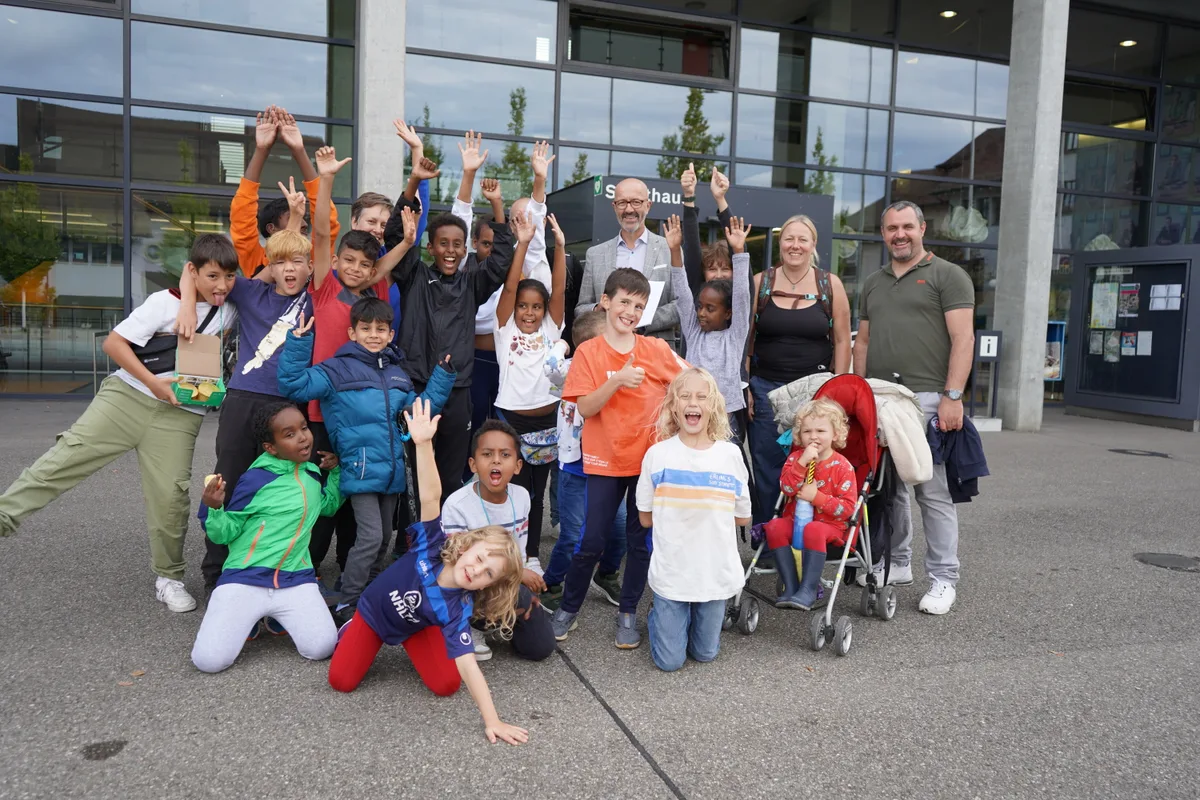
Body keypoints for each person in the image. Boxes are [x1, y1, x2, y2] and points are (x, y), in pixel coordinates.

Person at [0, 235, 240, 613]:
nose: (222, 285)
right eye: (212, 276)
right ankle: (4, 515)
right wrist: (153, 382)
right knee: (63, 460)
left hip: (180, 415)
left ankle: (169, 577)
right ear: (194, 272)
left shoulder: (229, 307)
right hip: (126, 398)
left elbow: (271, 264)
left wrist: (197, 296)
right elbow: (113, 344)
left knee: (171, 499)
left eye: (228, 277)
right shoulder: (165, 302)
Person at [327, 399, 529, 747]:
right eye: (480, 559)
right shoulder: (433, 545)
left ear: (489, 585)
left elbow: (469, 668)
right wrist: (422, 444)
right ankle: (351, 627)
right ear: (467, 546)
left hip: (415, 625)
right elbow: (431, 497)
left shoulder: (458, 608)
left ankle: (409, 640)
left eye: (487, 574)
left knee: (448, 685)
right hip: (373, 614)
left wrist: (493, 719)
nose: (476, 570)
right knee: (341, 682)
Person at [277, 297, 455, 626]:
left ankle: (370, 594)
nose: (373, 334)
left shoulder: (398, 375)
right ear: (352, 332)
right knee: (371, 537)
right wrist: (299, 342)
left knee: (385, 539)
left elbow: (419, 413)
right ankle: (348, 600)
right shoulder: (336, 369)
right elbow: (294, 384)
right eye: (366, 328)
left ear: (390, 334)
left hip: (392, 472)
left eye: (381, 328)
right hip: (358, 470)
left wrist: (442, 378)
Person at [551, 268, 686, 649]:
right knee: (590, 540)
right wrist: (616, 380)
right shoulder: (589, 351)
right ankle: (568, 608)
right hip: (605, 461)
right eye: (624, 301)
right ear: (606, 301)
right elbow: (586, 409)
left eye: (639, 306)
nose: (631, 311)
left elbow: (692, 381)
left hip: (648, 463)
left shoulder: (656, 350)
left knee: (639, 541)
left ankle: (628, 612)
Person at [853, 200, 975, 615]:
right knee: (891, 490)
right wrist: (860, 394)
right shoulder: (872, 282)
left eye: (907, 226)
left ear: (922, 228)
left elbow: (963, 339)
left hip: (929, 399)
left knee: (933, 491)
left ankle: (944, 578)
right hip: (882, 399)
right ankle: (899, 562)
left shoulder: (948, 275)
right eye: (891, 228)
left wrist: (952, 396)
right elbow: (863, 343)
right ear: (883, 233)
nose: (899, 234)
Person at [177, 228, 314, 596]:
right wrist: (187, 305)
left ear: (309, 267)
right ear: (268, 265)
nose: (288, 269)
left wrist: (302, 217)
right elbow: (194, 270)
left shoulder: (315, 299)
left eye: (296, 262)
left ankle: (267, 567)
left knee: (278, 490)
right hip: (243, 399)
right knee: (229, 482)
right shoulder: (252, 292)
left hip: (288, 406)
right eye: (279, 261)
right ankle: (215, 574)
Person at [389, 131, 515, 507]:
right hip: (414, 385)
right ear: (430, 247)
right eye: (442, 243)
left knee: (447, 471)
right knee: (411, 469)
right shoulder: (414, 274)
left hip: (458, 390)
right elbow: (398, 231)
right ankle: (407, 540)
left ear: (465, 249)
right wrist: (414, 181)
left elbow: (502, 260)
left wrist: (497, 206)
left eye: (457, 245)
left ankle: (443, 535)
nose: (449, 250)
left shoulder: (472, 282)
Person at [191, 403, 343, 671]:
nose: (303, 437)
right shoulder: (255, 480)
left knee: (322, 647)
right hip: (245, 577)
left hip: (295, 578)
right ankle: (243, 613)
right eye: (289, 434)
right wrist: (214, 507)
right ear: (270, 447)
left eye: (304, 428)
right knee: (209, 662)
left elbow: (328, 505)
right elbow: (225, 532)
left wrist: (335, 472)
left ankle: (275, 616)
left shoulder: (311, 474)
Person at [637, 368, 751, 672]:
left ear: (714, 406)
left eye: (702, 396)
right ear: (673, 405)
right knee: (669, 662)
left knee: (705, 654)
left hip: (713, 573)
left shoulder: (730, 456)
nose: (693, 403)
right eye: (685, 396)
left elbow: (743, 518)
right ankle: (661, 613)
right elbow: (645, 518)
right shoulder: (657, 455)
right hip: (673, 573)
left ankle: (681, 618)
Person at [747, 214, 851, 528]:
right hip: (766, 390)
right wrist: (745, 386)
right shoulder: (760, 283)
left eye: (802, 239)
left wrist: (836, 392)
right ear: (781, 244)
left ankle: (808, 539)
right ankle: (768, 541)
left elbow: (843, 339)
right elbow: (746, 339)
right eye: (789, 239)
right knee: (768, 468)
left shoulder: (829, 284)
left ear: (813, 245)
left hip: (814, 395)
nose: (795, 245)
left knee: (815, 468)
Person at [460, 140, 556, 463]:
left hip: (520, 379)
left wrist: (539, 180)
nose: (523, 224)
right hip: (477, 359)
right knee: (477, 439)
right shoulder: (496, 262)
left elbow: (537, 218)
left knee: (511, 453)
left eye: (528, 219)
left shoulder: (540, 267)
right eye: (516, 220)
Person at [441, 419, 556, 663]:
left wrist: (520, 573)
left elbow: (519, 549)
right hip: (469, 583)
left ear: (517, 466)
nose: (496, 460)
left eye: (505, 455)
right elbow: (452, 564)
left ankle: (502, 618)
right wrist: (518, 574)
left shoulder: (522, 496)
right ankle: (472, 625)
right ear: (473, 464)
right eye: (487, 454)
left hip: (507, 581)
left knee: (540, 647)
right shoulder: (457, 504)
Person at [493, 210, 567, 573]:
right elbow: (509, 287)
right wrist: (522, 244)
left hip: (548, 425)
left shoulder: (551, 329)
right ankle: (511, 554)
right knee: (513, 492)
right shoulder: (504, 329)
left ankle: (532, 554)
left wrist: (561, 247)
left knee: (537, 497)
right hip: (511, 424)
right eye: (524, 306)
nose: (529, 312)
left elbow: (560, 289)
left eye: (536, 307)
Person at [540, 310, 627, 611]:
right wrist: (564, 345)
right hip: (575, 467)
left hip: (610, 466)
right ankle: (551, 582)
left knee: (620, 526)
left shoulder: (618, 371)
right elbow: (549, 365)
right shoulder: (570, 370)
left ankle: (607, 573)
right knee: (573, 533)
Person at [665, 212, 752, 444]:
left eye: (710, 308)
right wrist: (675, 250)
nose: (702, 313)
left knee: (727, 466)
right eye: (700, 306)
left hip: (726, 414)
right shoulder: (694, 333)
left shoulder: (735, 335)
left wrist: (739, 251)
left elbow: (743, 294)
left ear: (728, 312)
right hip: (691, 413)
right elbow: (683, 293)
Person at [766, 398, 858, 611]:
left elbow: (847, 509)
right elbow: (786, 488)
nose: (813, 436)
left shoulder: (842, 466)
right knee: (774, 527)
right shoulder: (795, 459)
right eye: (807, 431)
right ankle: (791, 585)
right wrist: (801, 463)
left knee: (814, 529)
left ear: (835, 434)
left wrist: (816, 497)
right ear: (799, 435)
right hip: (796, 521)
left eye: (820, 431)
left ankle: (808, 589)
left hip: (830, 527)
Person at [230, 105, 338, 277]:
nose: (303, 224)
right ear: (271, 228)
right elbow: (242, 215)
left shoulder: (312, 260)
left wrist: (299, 150)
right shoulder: (256, 261)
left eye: (303, 217)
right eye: (292, 216)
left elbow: (327, 224)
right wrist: (261, 150)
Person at [575, 178, 679, 346]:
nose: (629, 209)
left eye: (636, 202)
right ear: (614, 207)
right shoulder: (595, 254)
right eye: (622, 203)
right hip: (607, 348)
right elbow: (581, 309)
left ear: (648, 205)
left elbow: (681, 304)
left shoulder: (670, 249)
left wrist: (640, 320)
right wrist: (599, 308)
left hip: (655, 348)